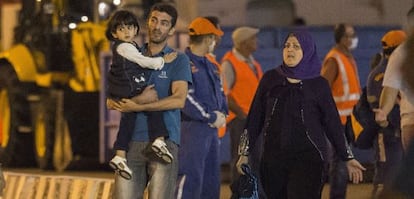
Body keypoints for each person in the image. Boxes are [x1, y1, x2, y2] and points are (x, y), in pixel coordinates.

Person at [235, 30, 366, 199]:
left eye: (296, 46)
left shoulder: (319, 85)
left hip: (310, 159)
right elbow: (254, 118)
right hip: (273, 160)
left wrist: (347, 156)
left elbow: (332, 123)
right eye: (287, 46)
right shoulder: (270, 79)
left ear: (307, 50)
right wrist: (243, 153)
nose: (290, 50)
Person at [108, 3, 192, 198]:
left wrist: (138, 104)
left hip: (164, 143)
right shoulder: (129, 54)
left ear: (171, 30)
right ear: (147, 23)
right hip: (131, 143)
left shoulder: (178, 60)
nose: (157, 26)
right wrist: (139, 100)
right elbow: (110, 102)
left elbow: (179, 100)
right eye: (154, 20)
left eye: (164, 23)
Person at [105, 10, 177, 180]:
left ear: (136, 29)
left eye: (130, 27)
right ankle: (159, 140)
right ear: (114, 33)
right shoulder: (125, 47)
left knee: (127, 121)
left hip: (122, 88)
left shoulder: (125, 47)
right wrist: (162, 62)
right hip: (130, 86)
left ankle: (120, 155)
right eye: (121, 29)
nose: (127, 32)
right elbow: (143, 62)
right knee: (153, 102)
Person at [178, 17, 228, 199]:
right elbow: (186, 97)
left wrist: (223, 113)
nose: (215, 42)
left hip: (211, 131)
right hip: (192, 130)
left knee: (211, 181)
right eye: (215, 38)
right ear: (208, 39)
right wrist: (210, 116)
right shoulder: (183, 63)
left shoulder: (210, 65)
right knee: (190, 178)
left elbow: (221, 93)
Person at [321, 23, 361, 199]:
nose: (353, 39)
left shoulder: (347, 57)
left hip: (348, 121)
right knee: (340, 164)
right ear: (341, 38)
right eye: (350, 35)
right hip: (338, 122)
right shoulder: (334, 59)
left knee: (342, 163)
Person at [366, 30, 406, 197]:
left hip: (395, 132)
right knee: (388, 177)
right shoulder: (385, 73)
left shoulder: (380, 72)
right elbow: (381, 108)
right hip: (390, 133)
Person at [221, 26, 263, 182]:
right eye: (253, 38)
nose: (256, 41)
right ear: (244, 43)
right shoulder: (229, 64)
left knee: (255, 161)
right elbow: (225, 95)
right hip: (241, 121)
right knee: (241, 162)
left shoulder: (252, 63)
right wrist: (242, 115)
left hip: (253, 119)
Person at [374, 7, 414, 153]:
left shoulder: (401, 53)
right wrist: (383, 110)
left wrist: (384, 111)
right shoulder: (401, 53)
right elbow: (390, 88)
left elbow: (390, 89)